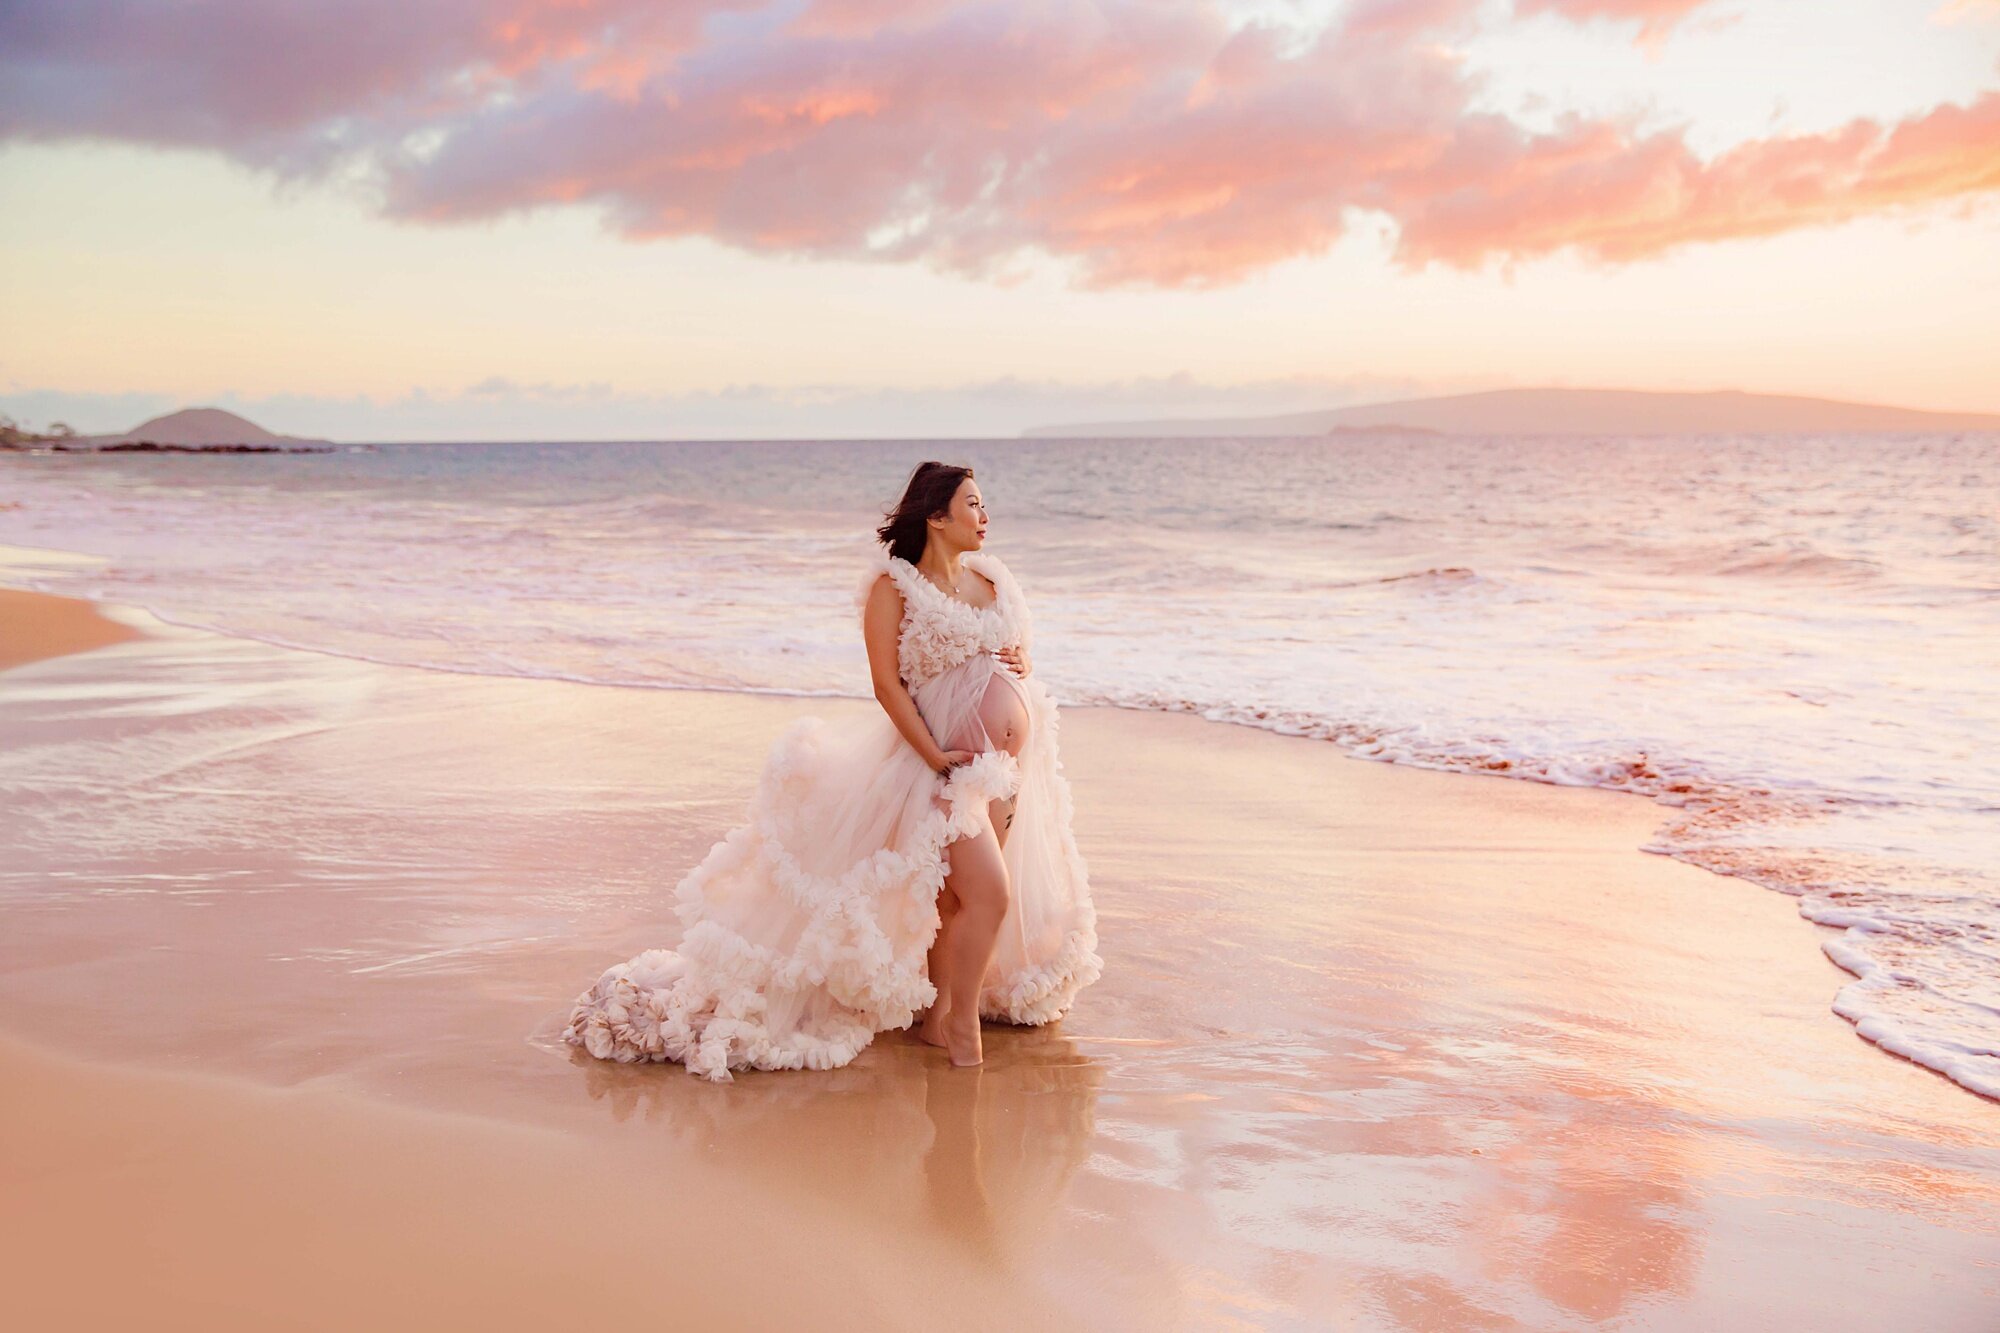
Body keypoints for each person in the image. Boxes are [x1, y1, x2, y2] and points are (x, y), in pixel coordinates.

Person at [561, 462, 1100, 1079]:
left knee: (956, 902)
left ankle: (936, 1017)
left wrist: (1021, 657)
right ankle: (962, 1030)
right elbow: (885, 684)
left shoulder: (991, 580)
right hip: (941, 770)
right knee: (992, 895)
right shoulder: (892, 587)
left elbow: (1013, 650)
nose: (985, 516)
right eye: (973, 504)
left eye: (984, 505)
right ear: (936, 516)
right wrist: (932, 758)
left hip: (1003, 772)